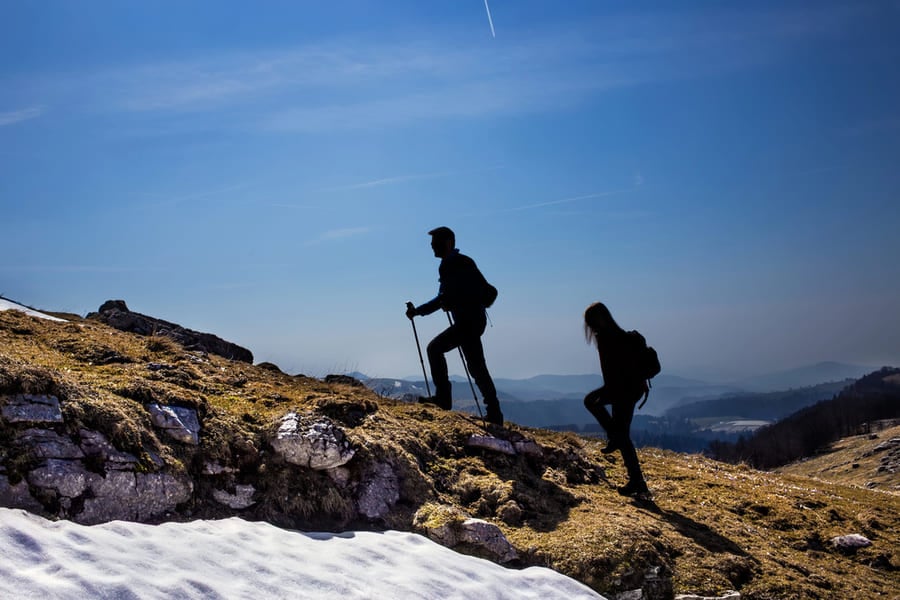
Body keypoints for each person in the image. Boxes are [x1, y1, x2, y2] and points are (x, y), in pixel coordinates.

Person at [405, 226, 504, 426]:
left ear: (447, 242)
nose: (432, 247)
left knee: (435, 349)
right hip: (473, 321)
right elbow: (454, 295)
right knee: (476, 367)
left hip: (468, 321)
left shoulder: (452, 265)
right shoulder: (461, 262)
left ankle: (443, 400)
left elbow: (445, 298)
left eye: (435, 243)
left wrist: (418, 311)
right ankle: (494, 413)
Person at [582, 302, 649, 496]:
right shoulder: (621, 336)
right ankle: (635, 478)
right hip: (630, 389)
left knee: (622, 435)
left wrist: (611, 392)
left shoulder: (606, 339)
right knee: (621, 433)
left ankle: (637, 481)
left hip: (622, 391)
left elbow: (612, 372)